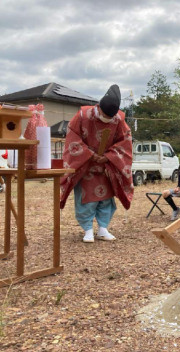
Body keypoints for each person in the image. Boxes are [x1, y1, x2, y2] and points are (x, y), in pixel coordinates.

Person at [60, 84, 134, 243]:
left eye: (110, 117)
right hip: (86, 165)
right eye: (104, 115)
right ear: (98, 107)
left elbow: (125, 141)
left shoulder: (119, 120)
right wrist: (88, 154)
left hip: (106, 166)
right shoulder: (82, 116)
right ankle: (87, 229)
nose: (107, 119)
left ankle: (102, 228)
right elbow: (72, 137)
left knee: (106, 198)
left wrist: (108, 156)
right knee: (87, 198)